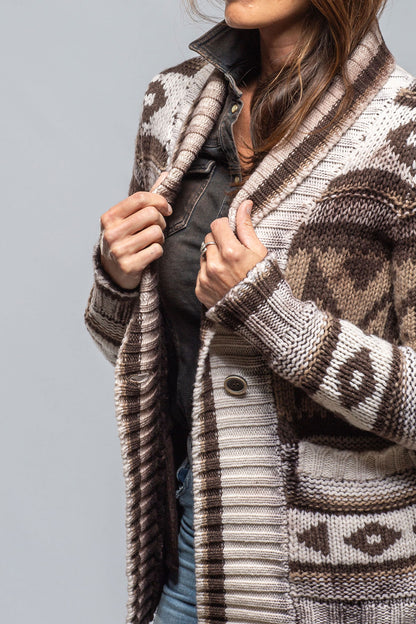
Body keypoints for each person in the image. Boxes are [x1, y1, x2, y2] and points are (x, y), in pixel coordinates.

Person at [85, 0, 416, 622]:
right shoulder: (174, 103)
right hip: (192, 550)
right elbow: (141, 353)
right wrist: (117, 279)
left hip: (338, 584)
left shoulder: (404, 131)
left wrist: (269, 313)